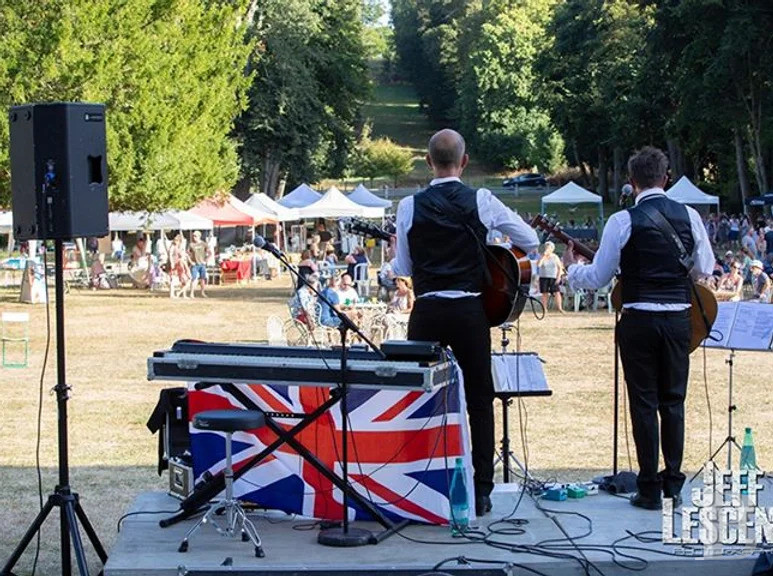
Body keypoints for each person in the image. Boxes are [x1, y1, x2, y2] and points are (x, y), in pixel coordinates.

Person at [391, 128, 539, 516]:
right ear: (465, 161)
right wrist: (493, 253)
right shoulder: (483, 200)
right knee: (479, 401)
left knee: (418, 397)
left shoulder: (409, 206)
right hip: (470, 312)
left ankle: (420, 486)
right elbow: (530, 239)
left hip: (427, 311)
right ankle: (483, 490)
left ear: (428, 162)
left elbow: (404, 266)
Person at [567, 146, 714, 511]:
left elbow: (599, 276)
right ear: (666, 178)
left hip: (639, 319)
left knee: (644, 404)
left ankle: (648, 487)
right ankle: (674, 484)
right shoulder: (690, 217)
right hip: (679, 318)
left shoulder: (623, 221)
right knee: (674, 402)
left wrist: (572, 272)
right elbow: (705, 268)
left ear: (631, 183)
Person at [537, 241, 565, 313]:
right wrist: (544, 256)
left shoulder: (555, 257)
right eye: (546, 247)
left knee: (556, 292)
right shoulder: (542, 256)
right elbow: (539, 265)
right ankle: (544, 308)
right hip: (544, 276)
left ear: (552, 249)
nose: (547, 249)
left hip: (553, 277)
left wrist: (558, 277)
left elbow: (560, 268)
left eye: (549, 247)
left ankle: (560, 308)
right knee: (544, 293)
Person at [188, 230, 210, 298]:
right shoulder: (191, 244)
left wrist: (206, 260)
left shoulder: (203, 244)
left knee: (202, 278)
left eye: (195, 236)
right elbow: (187, 254)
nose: (194, 237)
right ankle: (191, 293)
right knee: (193, 278)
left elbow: (210, 253)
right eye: (193, 236)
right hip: (195, 264)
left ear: (199, 236)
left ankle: (202, 292)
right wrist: (191, 262)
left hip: (202, 264)